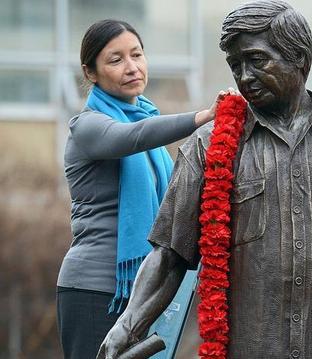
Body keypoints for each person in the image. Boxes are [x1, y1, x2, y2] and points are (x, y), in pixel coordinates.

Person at [98, 1, 312, 358]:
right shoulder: (209, 145)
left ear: (299, 57)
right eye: (236, 66)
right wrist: (126, 329)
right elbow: (169, 255)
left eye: (257, 60)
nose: (245, 77)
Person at [56, 19, 232, 359]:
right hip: (96, 289)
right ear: (90, 72)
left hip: (148, 293)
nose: (131, 67)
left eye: (137, 54)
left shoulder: (148, 123)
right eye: (116, 59)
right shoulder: (89, 126)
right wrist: (203, 116)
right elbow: (131, 138)